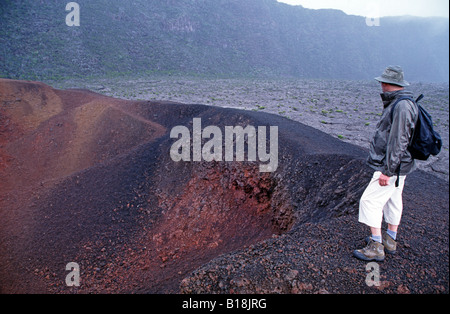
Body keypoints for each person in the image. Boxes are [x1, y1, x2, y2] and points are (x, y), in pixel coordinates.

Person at [353, 65, 418, 262]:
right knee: (393, 199)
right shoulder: (403, 103)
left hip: (392, 166)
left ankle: (376, 246)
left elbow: (398, 141)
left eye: (383, 81)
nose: (381, 84)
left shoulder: (401, 106)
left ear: (389, 84)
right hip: (401, 166)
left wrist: (387, 171)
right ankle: (390, 239)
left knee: (369, 201)